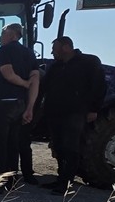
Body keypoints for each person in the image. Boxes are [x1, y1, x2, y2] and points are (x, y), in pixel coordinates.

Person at [39, 36, 106, 193]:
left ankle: (67, 184)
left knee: (71, 147)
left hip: (75, 112)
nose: (52, 52)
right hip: (54, 112)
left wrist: (94, 109)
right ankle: (60, 179)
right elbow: (45, 87)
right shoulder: (56, 66)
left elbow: (99, 87)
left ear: (66, 48)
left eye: (55, 49)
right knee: (59, 146)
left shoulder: (89, 63)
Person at [0, 23, 40, 189]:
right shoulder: (29, 54)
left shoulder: (5, 50)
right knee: (12, 144)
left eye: (2, 34)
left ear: (11, 34)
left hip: (3, 103)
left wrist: (23, 83)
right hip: (19, 105)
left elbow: (8, 74)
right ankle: (10, 180)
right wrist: (30, 107)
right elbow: (35, 81)